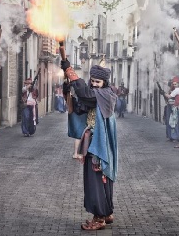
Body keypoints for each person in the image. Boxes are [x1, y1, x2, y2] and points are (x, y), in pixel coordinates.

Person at [61, 58, 118, 231]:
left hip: (99, 145)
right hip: (92, 142)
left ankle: (99, 217)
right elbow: (79, 108)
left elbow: (86, 94)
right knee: (102, 180)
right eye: (92, 81)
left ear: (105, 82)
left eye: (97, 82)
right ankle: (106, 213)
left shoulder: (107, 94)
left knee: (96, 181)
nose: (94, 84)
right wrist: (67, 93)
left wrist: (70, 72)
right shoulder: (96, 96)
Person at [63, 80, 88, 159]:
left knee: (79, 134)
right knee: (79, 134)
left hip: (75, 113)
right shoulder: (76, 95)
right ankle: (76, 153)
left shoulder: (69, 94)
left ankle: (77, 152)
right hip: (79, 114)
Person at [21, 71, 40, 137]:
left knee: (32, 118)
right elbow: (24, 90)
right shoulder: (24, 88)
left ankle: (31, 130)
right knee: (26, 117)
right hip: (26, 105)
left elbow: (36, 94)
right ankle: (25, 131)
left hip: (32, 105)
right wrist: (28, 86)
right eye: (27, 83)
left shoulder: (34, 89)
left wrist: (33, 86)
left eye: (29, 83)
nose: (28, 84)